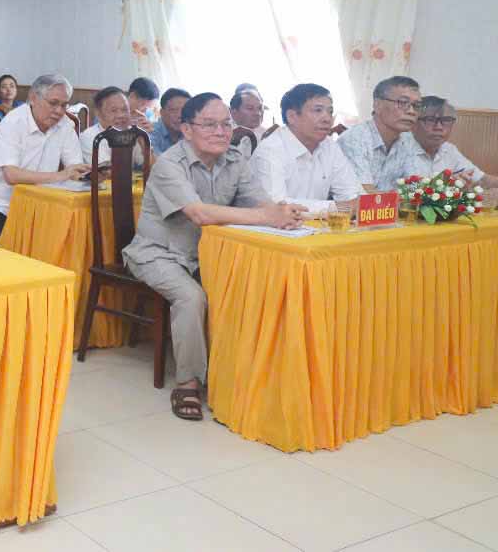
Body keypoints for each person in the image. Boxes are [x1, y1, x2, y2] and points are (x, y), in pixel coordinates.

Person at [122, 93, 304, 421]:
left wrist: (280, 213)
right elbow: (200, 214)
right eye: (209, 124)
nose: (220, 132)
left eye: (225, 124)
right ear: (187, 129)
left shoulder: (235, 159)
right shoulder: (169, 164)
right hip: (158, 253)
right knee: (192, 297)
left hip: (208, 255)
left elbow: (260, 202)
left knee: (253, 285)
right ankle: (188, 384)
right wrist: (267, 217)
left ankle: (243, 374)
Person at [0, 74, 90, 245]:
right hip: (0, 208)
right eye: (53, 103)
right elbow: (11, 175)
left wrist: (89, 176)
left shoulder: (64, 124)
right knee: (28, 245)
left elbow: (75, 168)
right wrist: (61, 175)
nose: (59, 111)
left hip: (43, 209)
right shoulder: (13, 122)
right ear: (33, 98)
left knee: (74, 239)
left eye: (64, 105)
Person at [251, 84, 362, 218]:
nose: (327, 118)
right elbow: (277, 207)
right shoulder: (271, 149)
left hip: (315, 226)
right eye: (318, 110)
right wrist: (338, 208)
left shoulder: (329, 146)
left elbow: (354, 197)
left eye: (330, 111)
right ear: (292, 116)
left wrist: (348, 206)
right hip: (272, 229)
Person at [398, 96, 498, 192]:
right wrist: (444, 185)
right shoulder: (398, 148)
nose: (439, 127)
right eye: (430, 120)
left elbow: (482, 180)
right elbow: (400, 192)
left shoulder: (448, 150)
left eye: (446, 120)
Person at [338, 76, 421, 191]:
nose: (411, 111)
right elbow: (364, 193)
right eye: (403, 102)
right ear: (377, 105)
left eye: (416, 106)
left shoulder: (408, 140)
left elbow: (415, 188)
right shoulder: (354, 139)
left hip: (389, 203)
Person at [78, 86, 145, 166]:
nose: (120, 115)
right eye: (113, 110)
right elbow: (107, 170)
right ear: (98, 114)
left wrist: (143, 139)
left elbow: (151, 167)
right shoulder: (88, 137)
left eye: (124, 109)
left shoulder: (131, 132)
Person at [150, 87, 191, 155]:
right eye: (174, 110)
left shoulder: (192, 133)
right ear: (162, 113)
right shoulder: (150, 132)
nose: (180, 115)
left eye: (184, 111)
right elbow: (156, 160)